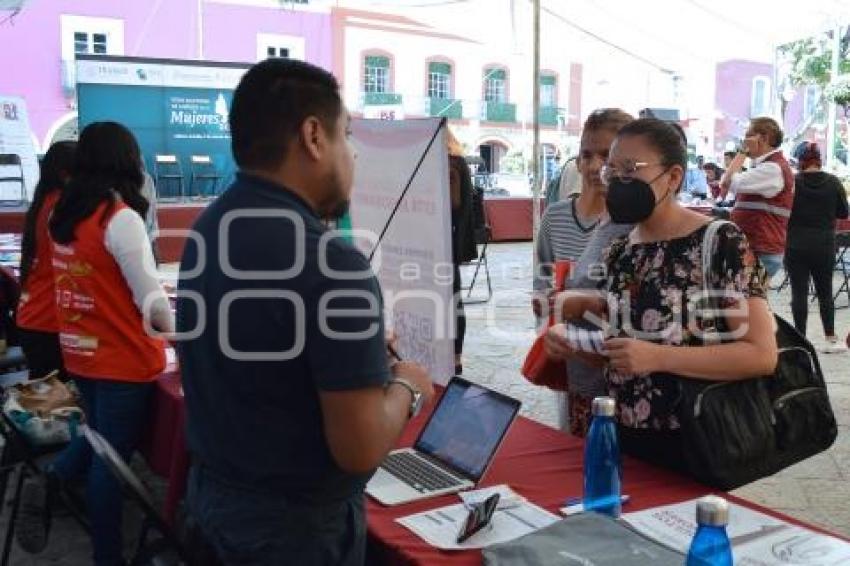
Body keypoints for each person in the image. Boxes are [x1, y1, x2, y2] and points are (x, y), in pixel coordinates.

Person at [177, 59, 434, 565]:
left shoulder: (208, 228)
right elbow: (358, 449)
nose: (352, 156)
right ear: (314, 136)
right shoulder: (331, 261)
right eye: (348, 136)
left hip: (215, 502)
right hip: (292, 532)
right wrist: (408, 385)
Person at [549, 118, 777, 469]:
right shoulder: (621, 249)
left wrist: (659, 358)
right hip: (623, 437)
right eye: (613, 170)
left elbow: (760, 355)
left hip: (695, 438)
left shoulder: (719, 241)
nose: (617, 180)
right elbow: (627, 349)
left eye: (631, 169)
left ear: (673, 177)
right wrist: (578, 345)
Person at [18, 122, 172, 565]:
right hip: (122, 358)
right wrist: (181, 326)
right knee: (112, 460)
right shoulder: (118, 218)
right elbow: (152, 302)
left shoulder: (61, 214)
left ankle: (52, 480)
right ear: (128, 159)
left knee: (100, 435)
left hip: (81, 353)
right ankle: (107, 556)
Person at [535, 108, 634, 435]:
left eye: (606, 156)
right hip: (574, 367)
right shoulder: (556, 217)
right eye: (586, 155)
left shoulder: (635, 223)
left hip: (626, 372)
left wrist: (584, 302)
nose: (594, 166)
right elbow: (542, 285)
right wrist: (548, 304)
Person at [15, 141, 76, 379]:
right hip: (48, 321)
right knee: (55, 405)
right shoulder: (61, 206)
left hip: (35, 316)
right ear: (64, 173)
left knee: (47, 401)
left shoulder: (45, 200)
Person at [786, 141, 849, 352]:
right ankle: (830, 338)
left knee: (799, 293)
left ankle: (800, 340)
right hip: (823, 244)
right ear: (819, 160)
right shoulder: (833, 182)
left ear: (801, 162)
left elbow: (784, 210)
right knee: (825, 292)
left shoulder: (794, 183)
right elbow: (843, 212)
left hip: (795, 243)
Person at [720, 117, 794, 279]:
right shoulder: (769, 166)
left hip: (761, 249)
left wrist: (742, 152)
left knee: (748, 302)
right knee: (749, 301)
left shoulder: (772, 168)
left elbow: (727, 181)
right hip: (760, 247)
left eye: (748, 135)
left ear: (764, 138)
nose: (744, 140)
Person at [447, 130, 477, 374]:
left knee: (453, 298)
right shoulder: (454, 161)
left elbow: (456, 202)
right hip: (445, 238)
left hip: (447, 239)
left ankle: (456, 355)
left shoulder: (454, 163)